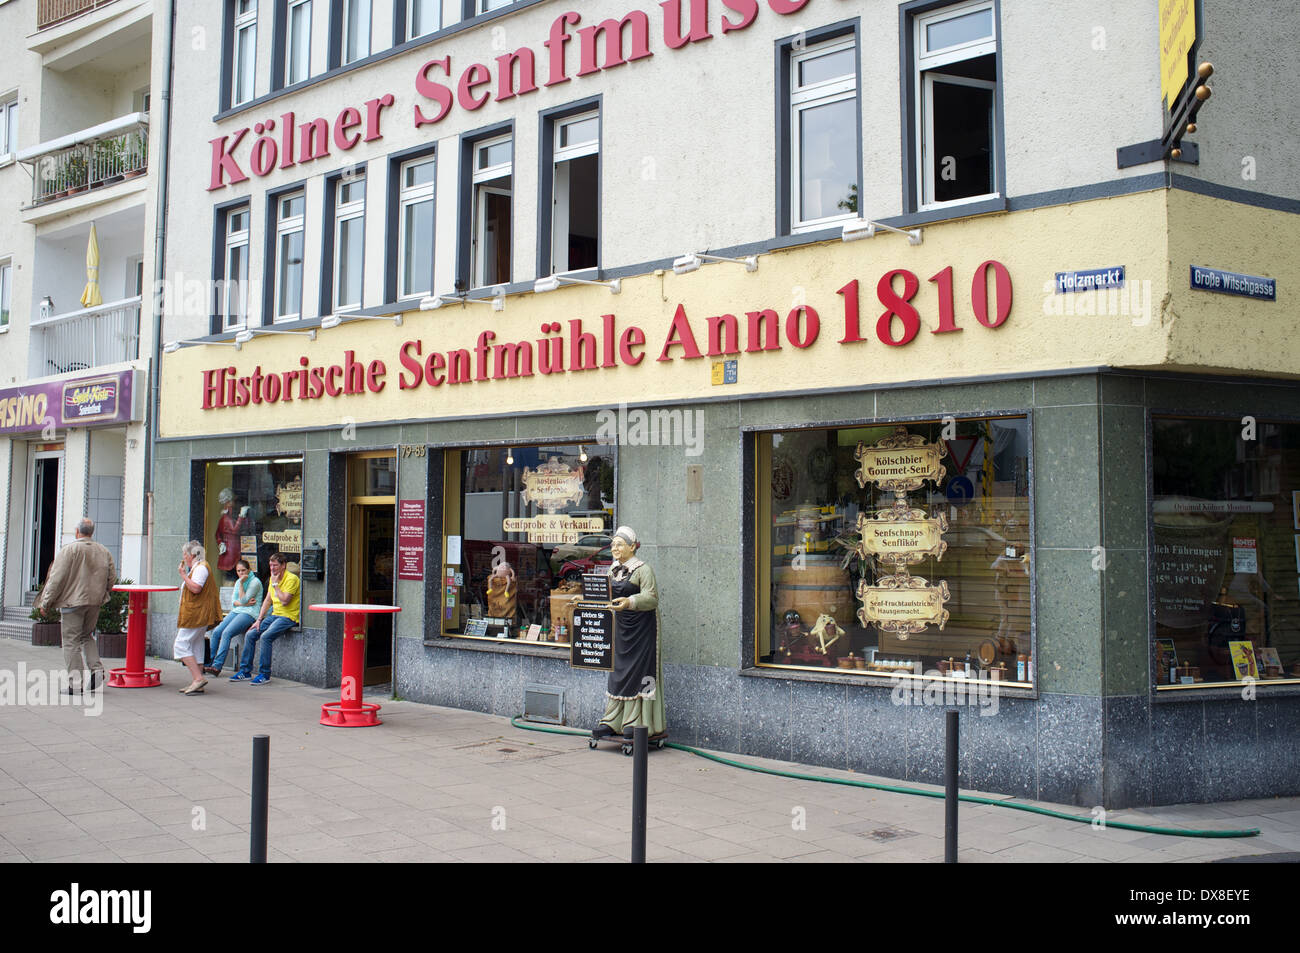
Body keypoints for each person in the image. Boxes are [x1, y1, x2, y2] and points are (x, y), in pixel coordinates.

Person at [589, 526, 666, 741]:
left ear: (632, 547)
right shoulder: (612, 569)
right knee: (618, 671)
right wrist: (584, 602)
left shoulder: (643, 569)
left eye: (619, 544)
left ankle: (639, 721)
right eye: (613, 544)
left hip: (642, 630)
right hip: (620, 628)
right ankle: (612, 719)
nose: (615, 548)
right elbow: (604, 596)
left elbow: (651, 598)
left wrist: (630, 601)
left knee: (641, 673)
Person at [35, 517, 116, 694]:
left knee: (71, 641)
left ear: (77, 532)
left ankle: (75, 683)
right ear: (91, 532)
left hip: (72, 602)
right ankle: (96, 670)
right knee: (87, 635)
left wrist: (45, 603)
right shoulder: (103, 550)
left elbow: (56, 579)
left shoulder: (69, 550)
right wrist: (103, 592)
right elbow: (112, 578)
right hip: (94, 601)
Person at [231, 552, 299, 684]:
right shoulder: (273, 578)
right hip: (274, 615)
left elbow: (285, 600)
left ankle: (264, 674)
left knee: (266, 637)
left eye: (275, 565)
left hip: (288, 617)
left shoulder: (291, 579)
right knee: (251, 634)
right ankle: (245, 672)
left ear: (283, 565)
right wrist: (259, 620)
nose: (272, 568)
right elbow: (267, 601)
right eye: (270, 565)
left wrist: (275, 585)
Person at [176, 540, 222, 695]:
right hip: (198, 613)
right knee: (196, 645)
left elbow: (196, 588)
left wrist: (183, 575)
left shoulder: (201, 568)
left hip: (196, 614)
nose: (183, 557)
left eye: (185, 554)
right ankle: (198, 681)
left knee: (180, 645)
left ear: (192, 555)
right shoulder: (199, 567)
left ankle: (198, 679)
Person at [203, 559, 263, 676]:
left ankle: (217, 666)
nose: (241, 573)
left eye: (243, 570)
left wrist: (241, 586)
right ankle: (207, 664)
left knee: (226, 633)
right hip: (237, 611)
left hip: (250, 613)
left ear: (249, 570)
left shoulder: (255, 582)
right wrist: (243, 602)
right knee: (216, 632)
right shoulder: (237, 582)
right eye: (238, 571)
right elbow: (234, 602)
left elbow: (242, 599)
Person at [214, 488, 251, 577]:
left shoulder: (227, 517)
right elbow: (234, 530)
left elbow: (217, 534)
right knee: (232, 577)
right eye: (233, 501)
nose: (234, 504)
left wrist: (220, 543)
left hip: (233, 552)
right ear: (228, 502)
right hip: (231, 554)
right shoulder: (226, 518)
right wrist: (241, 515)